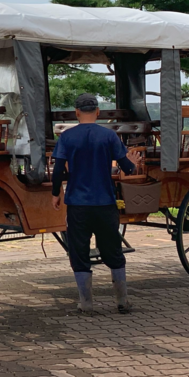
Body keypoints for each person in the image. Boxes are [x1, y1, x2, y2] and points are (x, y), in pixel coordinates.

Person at [51, 93, 144, 314]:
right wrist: (132, 163)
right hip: (105, 202)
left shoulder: (66, 137)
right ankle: (122, 300)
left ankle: (86, 303)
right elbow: (127, 168)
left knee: (79, 252)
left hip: (77, 203)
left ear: (76, 112)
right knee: (113, 250)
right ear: (98, 112)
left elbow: (57, 171)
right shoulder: (109, 136)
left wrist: (56, 194)